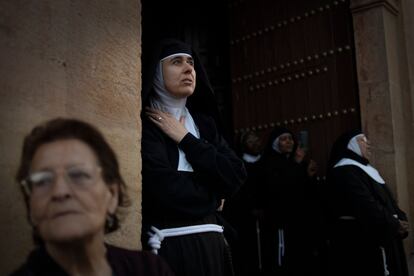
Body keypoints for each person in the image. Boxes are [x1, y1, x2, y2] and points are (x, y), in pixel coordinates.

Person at [11, 118, 174, 276]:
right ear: (30, 203)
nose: (59, 192)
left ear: (112, 195)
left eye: (78, 175)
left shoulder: (149, 269)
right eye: (42, 181)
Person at [140, 38, 246, 276]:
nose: (189, 69)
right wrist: (214, 194)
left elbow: (236, 175)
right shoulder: (146, 126)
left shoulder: (204, 124)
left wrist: (186, 139)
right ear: (156, 72)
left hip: (213, 246)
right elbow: (162, 189)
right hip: (170, 248)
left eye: (191, 62)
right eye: (176, 62)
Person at [324, 130, 409, 276]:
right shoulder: (345, 170)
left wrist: (401, 218)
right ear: (350, 146)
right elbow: (364, 203)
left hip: (385, 231)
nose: (368, 144)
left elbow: (388, 200)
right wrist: (393, 223)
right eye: (362, 140)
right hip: (361, 239)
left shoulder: (367, 169)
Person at [259, 126, 322, 276]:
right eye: (283, 139)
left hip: (298, 220)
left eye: (290, 138)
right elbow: (280, 188)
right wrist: (297, 164)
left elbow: (304, 190)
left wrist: (309, 175)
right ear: (275, 143)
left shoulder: (296, 162)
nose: (289, 142)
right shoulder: (269, 163)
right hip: (280, 221)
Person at [222, 130, 264, 276]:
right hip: (244, 216)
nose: (255, 144)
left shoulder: (265, 163)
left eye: (256, 140)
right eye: (250, 141)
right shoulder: (239, 164)